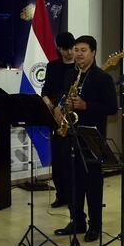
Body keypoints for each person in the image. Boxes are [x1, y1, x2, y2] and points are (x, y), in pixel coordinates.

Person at [53, 35, 117, 242]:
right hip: (70, 135)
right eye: (76, 50)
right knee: (72, 182)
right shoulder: (70, 75)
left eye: (83, 50)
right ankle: (77, 220)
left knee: (92, 185)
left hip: (91, 138)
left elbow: (111, 108)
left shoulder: (103, 78)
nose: (78, 54)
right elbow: (64, 98)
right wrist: (61, 109)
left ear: (93, 53)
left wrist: (86, 105)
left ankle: (95, 226)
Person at [42, 32, 75, 208]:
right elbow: (45, 92)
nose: (69, 53)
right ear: (59, 50)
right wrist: (52, 107)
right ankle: (60, 194)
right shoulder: (52, 67)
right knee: (58, 159)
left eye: (71, 48)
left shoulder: (79, 68)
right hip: (56, 118)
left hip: (74, 119)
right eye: (65, 49)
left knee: (70, 159)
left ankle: (72, 195)